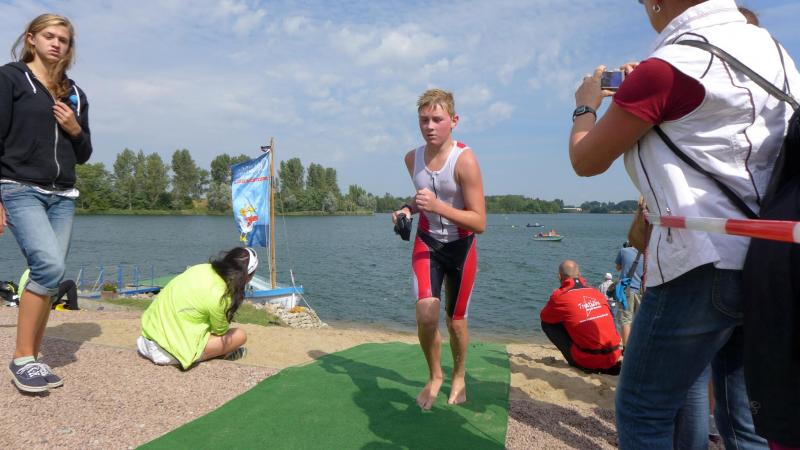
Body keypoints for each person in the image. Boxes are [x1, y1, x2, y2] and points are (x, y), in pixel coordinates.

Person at [567, 1, 800, 448]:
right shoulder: (775, 52)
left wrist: (585, 106)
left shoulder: (671, 65)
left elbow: (586, 160)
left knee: (643, 408)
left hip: (701, 262)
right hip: (768, 260)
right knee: (745, 417)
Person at [1, 14, 92, 393]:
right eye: (49, 36)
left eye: (63, 40)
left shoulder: (74, 93)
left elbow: (84, 153)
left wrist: (75, 128)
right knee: (49, 265)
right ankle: (22, 359)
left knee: (50, 277)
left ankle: (32, 359)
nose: (56, 44)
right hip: (19, 188)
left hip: (63, 196)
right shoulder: (10, 79)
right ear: (31, 39)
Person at [391, 88, 486, 410]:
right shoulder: (411, 158)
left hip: (461, 247)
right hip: (427, 243)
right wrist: (407, 210)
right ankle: (435, 376)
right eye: (424, 120)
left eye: (437, 119)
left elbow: (479, 221)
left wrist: (438, 206)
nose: (430, 126)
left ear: (453, 121)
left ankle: (459, 375)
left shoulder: (465, 160)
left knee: (456, 321)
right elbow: (423, 198)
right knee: (426, 315)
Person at [137, 247, 254, 370]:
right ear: (246, 277)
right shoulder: (222, 296)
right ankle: (220, 355)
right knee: (240, 335)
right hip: (166, 353)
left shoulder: (201, 268)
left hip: (146, 340)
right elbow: (220, 331)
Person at [540, 260, 622, 375]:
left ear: (559, 276)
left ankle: (580, 362)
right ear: (579, 274)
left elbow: (544, 316)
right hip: (613, 356)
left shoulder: (560, 296)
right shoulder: (596, 292)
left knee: (547, 323)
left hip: (589, 359)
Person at [614, 242, 643, 346]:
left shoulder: (624, 251)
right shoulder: (648, 254)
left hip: (626, 291)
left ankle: (626, 349)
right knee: (641, 320)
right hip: (642, 290)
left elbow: (618, 268)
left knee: (625, 320)